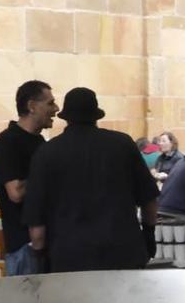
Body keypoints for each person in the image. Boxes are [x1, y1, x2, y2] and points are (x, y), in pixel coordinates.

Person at [21, 87, 160, 272]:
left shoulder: (46, 153)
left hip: (69, 258)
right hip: (122, 253)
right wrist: (149, 235)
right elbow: (149, 201)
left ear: (67, 117)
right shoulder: (123, 145)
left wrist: (41, 256)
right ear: (96, 115)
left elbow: (37, 227)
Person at [0, 80, 58, 275]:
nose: (56, 109)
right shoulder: (8, 141)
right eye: (50, 103)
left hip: (46, 242)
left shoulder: (39, 142)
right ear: (31, 106)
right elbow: (16, 192)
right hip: (24, 246)